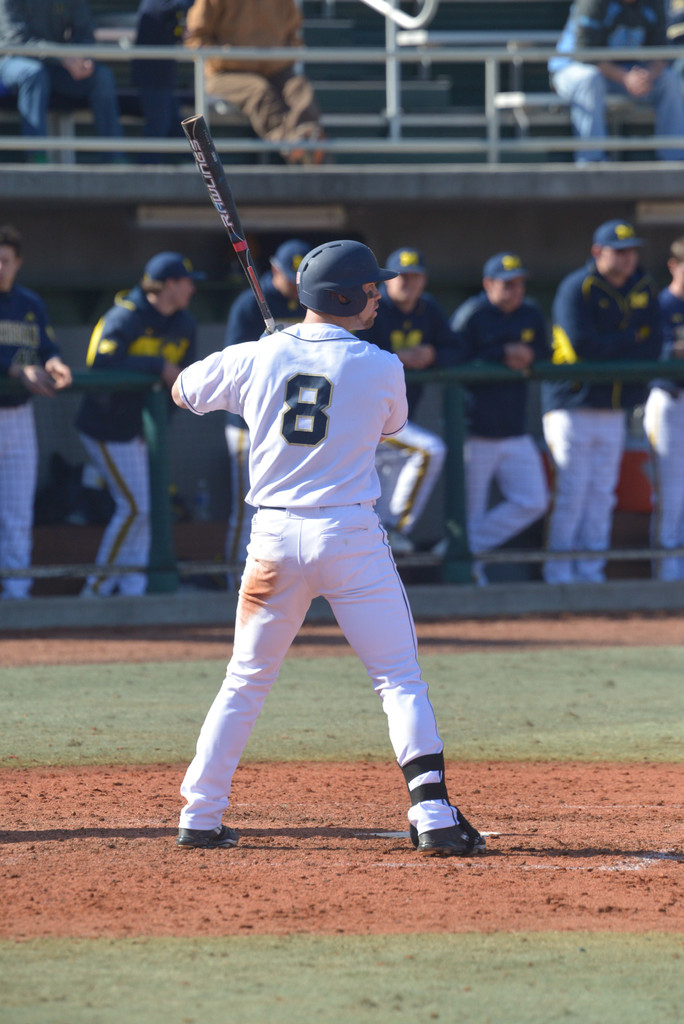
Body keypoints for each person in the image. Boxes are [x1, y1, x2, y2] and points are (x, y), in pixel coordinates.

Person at [171, 239, 486, 858]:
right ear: (342, 296)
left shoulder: (254, 355)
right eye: (370, 288)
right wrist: (279, 358)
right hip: (349, 537)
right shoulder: (381, 364)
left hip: (272, 539)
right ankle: (433, 813)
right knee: (398, 677)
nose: (378, 295)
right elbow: (390, 423)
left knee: (246, 679)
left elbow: (183, 390)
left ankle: (200, 815)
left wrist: (261, 362)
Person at [542, 220, 663, 584]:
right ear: (598, 252)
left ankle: (591, 572)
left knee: (602, 495)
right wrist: (631, 338)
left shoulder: (643, 286)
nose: (628, 259)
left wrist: (625, 343)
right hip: (571, 405)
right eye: (619, 251)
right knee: (573, 493)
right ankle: (559, 573)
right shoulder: (576, 288)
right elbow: (585, 347)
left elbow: (654, 346)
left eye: (632, 252)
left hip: (613, 408)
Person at [75, 252, 202, 596]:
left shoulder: (184, 322)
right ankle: (97, 588)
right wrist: (155, 364)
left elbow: (183, 381)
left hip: (142, 432)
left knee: (149, 507)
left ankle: (132, 585)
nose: (192, 288)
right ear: (169, 285)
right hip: (105, 428)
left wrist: (156, 431)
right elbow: (99, 365)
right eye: (187, 281)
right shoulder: (124, 316)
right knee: (136, 506)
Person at [449, 253, 550, 585]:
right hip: (475, 430)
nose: (515, 290)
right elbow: (453, 356)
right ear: (488, 284)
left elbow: (548, 353)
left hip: (515, 429)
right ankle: (467, 574)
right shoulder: (473, 315)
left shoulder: (530, 312)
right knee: (469, 511)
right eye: (507, 284)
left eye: (519, 283)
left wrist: (531, 355)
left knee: (535, 500)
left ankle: (460, 548)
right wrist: (501, 354)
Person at [223, 238, 310, 588]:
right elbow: (234, 364)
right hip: (249, 425)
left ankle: (280, 581)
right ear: (274, 270)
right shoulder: (250, 305)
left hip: (290, 424)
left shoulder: (311, 304)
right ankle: (233, 579)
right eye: (290, 276)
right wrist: (268, 346)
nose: (295, 284)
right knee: (247, 510)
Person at [359, 247, 450, 554]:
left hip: (398, 418)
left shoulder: (429, 309)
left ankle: (382, 534)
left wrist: (433, 354)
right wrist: (400, 358)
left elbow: (456, 348)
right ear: (387, 281)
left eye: (415, 276)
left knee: (386, 479)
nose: (408, 282)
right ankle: (393, 530)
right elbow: (356, 353)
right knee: (430, 450)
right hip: (366, 415)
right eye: (402, 276)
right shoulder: (372, 308)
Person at [0, 224, 72, 599]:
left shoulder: (30, 304)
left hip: (18, 417)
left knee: (16, 511)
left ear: (18, 263)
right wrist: (14, 369)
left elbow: (46, 348)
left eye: (5, 260)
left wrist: (56, 362)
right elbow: (20, 364)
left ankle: (17, 591)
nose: (0, 267)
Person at [184, 0, 327, 164]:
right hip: (224, 74)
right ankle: (292, 146)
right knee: (258, 90)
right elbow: (195, 38)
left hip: (274, 69)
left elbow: (293, 32)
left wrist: (284, 56)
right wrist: (226, 58)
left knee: (298, 87)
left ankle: (311, 142)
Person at [549, 0, 684, 163]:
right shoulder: (593, 2)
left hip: (623, 73)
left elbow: (661, 52)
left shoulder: (653, 3)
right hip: (572, 68)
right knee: (589, 79)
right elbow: (584, 52)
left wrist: (648, 75)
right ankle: (592, 162)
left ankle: (675, 159)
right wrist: (625, 78)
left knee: (669, 79)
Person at [0, 0, 123, 161]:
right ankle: (37, 158)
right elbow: (17, 41)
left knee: (101, 77)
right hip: (12, 61)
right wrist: (62, 56)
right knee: (33, 73)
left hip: (55, 66)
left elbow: (85, 33)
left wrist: (83, 60)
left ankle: (114, 158)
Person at [643, 235, 684, 580]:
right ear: (673, 266)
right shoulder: (661, 305)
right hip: (668, 402)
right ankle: (667, 572)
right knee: (671, 493)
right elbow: (652, 354)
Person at [132, 0, 192, 161]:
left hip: (164, 77)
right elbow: (162, 9)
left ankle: (200, 171)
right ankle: (145, 174)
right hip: (151, 75)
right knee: (158, 128)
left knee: (175, 128)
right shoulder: (157, 4)